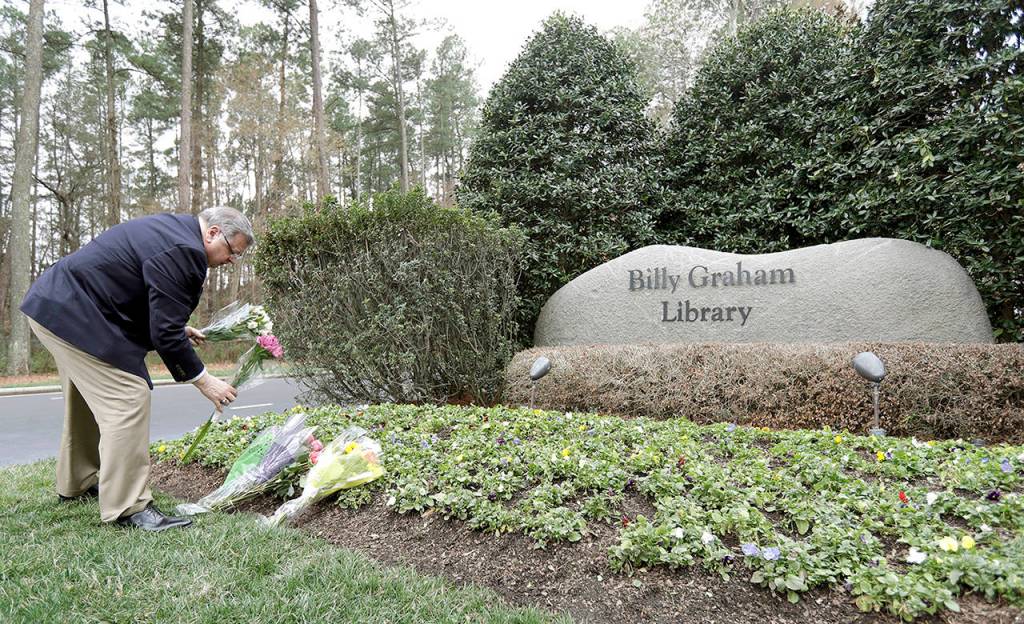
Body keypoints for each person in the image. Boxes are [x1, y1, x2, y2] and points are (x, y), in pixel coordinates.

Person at [20, 206, 254, 532]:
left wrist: (175, 328)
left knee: (86, 401)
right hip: (74, 314)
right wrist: (204, 380)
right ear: (213, 233)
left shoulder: (173, 231)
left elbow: (138, 291)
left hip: (58, 306)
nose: (231, 261)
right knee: (128, 396)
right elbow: (165, 334)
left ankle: (78, 481)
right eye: (232, 251)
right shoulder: (186, 250)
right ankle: (129, 508)